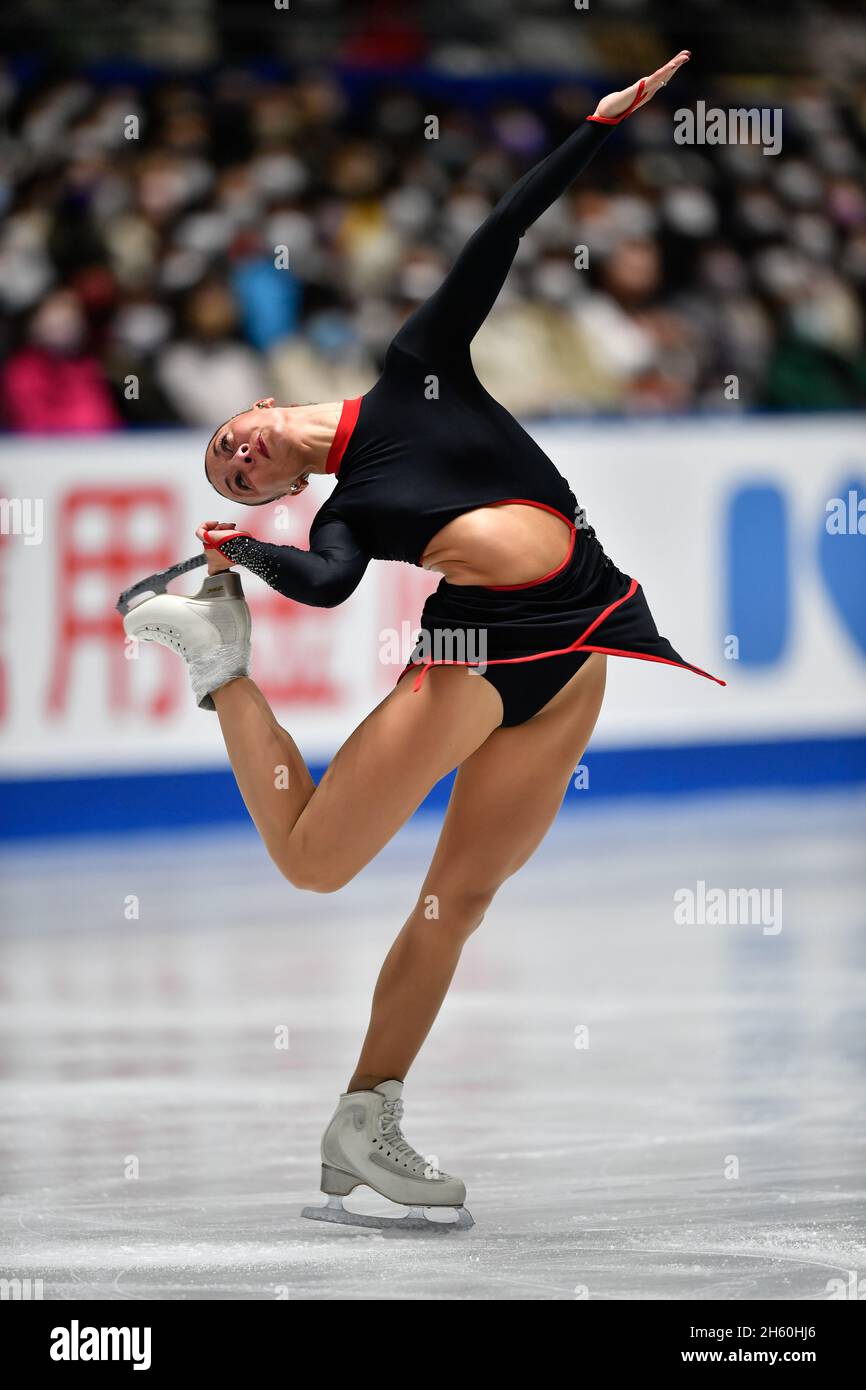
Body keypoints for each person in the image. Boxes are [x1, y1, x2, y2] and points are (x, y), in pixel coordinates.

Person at [125, 52, 719, 1230]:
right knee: (314, 861)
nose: (236, 464)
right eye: (226, 479)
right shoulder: (339, 515)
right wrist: (246, 564)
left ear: (257, 418)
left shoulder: (417, 371)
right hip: (475, 658)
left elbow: (496, 236)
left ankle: (365, 1114)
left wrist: (593, 128)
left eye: (230, 449)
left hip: (581, 642)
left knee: (461, 898)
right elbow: (334, 584)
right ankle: (217, 663)